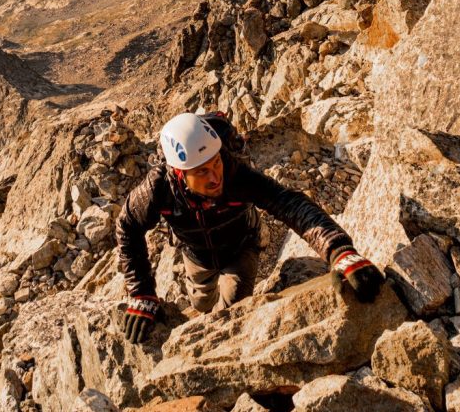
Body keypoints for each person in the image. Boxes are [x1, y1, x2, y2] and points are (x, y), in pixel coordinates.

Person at [116, 111, 383, 343]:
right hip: (196, 255)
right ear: (179, 174)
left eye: (216, 163)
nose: (214, 177)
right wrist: (141, 292)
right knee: (201, 303)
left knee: (231, 313)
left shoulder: (235, 173)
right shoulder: (158, 189)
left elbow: (288, 203)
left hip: (240, 247)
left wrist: (339, 251)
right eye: (201, 172)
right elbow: (127, 226)